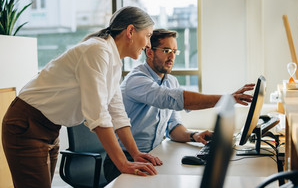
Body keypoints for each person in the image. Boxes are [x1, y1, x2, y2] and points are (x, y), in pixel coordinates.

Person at [1, 6, 164, 188]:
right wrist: (122, 163)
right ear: (131, 31)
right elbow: (98, 115)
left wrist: (135, 153)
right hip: (27, 123)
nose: (148, 44)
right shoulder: (97, 51)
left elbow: (116, 112)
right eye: (148, 35)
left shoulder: (113, 61)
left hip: (49, 128)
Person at [103, 28, 255, 182]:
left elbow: (173, 127)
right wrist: (227, 99)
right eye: (166, 50)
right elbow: (176, 100)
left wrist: (194, 136)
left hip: (153, 156)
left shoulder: (171, 81)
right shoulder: (136, 80)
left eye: (175, 51)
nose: (172, 57)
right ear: (149, 52)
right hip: (124, 159)